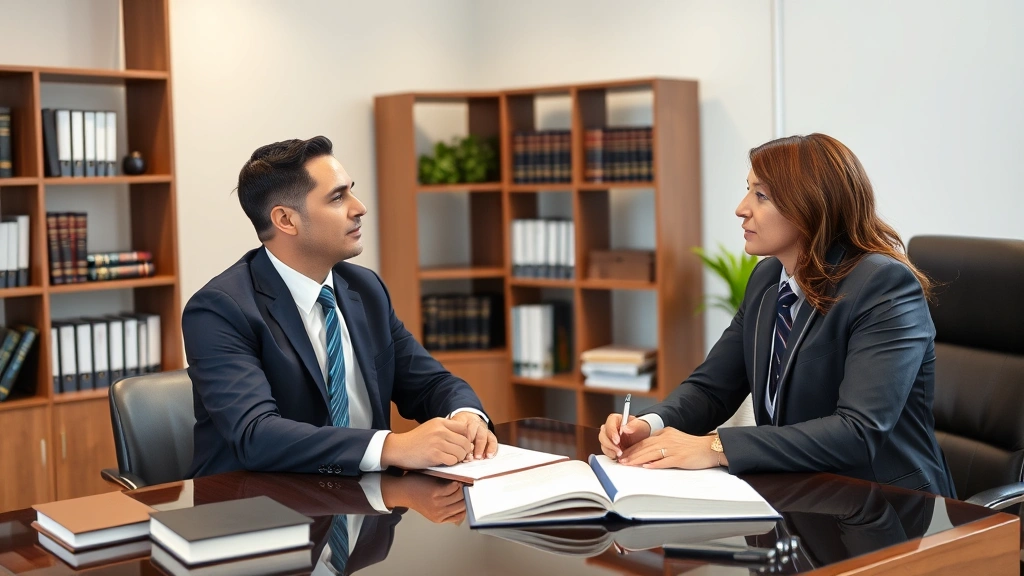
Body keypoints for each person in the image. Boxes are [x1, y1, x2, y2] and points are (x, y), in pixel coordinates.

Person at [597, 133, 955, 497]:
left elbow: (858, 432)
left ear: (811, 206)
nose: (741, 208)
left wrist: (715, 447)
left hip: (888, 507)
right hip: (802, 494)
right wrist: (648, 424)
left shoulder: (883, 285)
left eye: (761, 195)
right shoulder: (768, 279)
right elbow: (711, 389)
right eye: (748, 190)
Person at [182, 136, 497, 479]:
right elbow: (256, 435)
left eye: (352, 191)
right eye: (337, 197)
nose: (359, 207)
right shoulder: (219, 310)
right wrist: (391, 447)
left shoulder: (366, 289)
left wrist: (465, 415)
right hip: (260, 511)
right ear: (286, 220)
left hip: (368, 504)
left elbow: (430, 383)